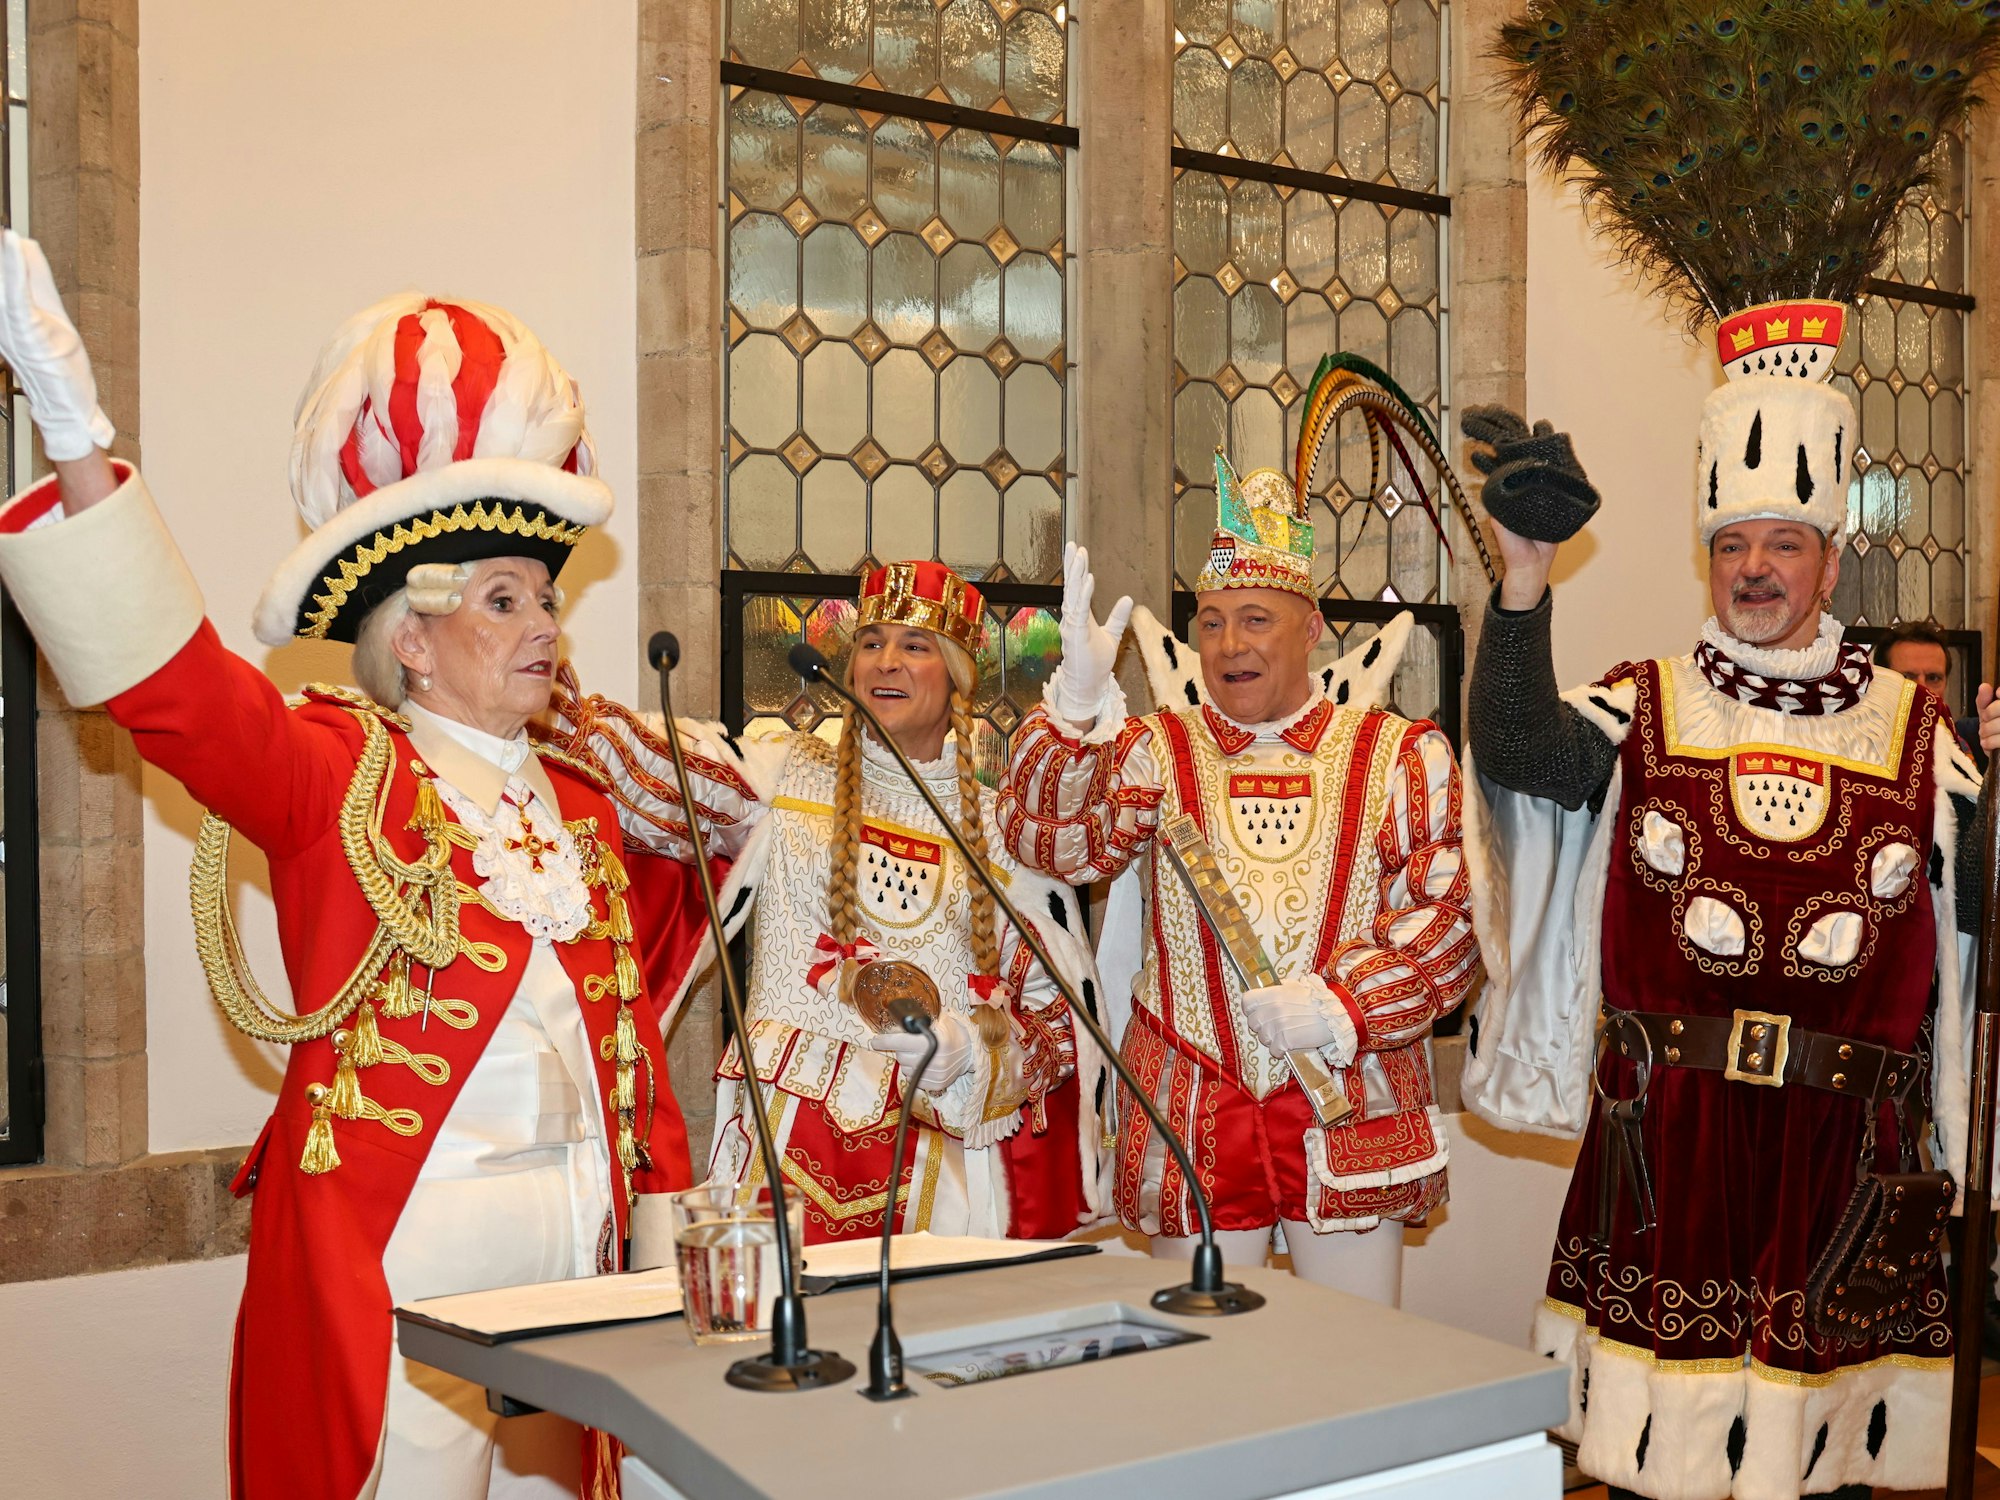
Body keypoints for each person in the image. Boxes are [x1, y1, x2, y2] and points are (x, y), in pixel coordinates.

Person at [0, 233, 718, 1500]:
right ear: (415, 643)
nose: (548, 626)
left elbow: (631, 1065)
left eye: (547, 601)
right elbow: (178, 699)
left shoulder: (587, 816)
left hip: (583, 1264)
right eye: (506, 601)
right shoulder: (340, 772)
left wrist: (668, 1261)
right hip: (407, 1256)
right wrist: (74, 434)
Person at [1461, 309, 2000, 1499]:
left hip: (1847, 1164)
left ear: (1829, 560)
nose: (1753, 567)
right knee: (1667, 1479)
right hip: (1672, 1143)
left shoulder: (1919, 738)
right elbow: (1513, 751)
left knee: (1825, 1478)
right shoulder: (1641, 702)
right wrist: (1523, 577)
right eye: (1731, 544)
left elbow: (1978, 929)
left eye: (1782, 544)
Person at [994, 448, 1478, 1306]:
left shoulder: (1403, 755)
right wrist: (1075, 695)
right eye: (1210, 622)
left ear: (1312, 627)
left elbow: (1453, 915)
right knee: (1202, 1375)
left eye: (1254, 618)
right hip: (1191, 1093)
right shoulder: (1154, 748)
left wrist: (1342, 1004)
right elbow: (1047, 841)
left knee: (1351, 1362)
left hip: (1347, 1091)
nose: (1228, 644)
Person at [549, 559, 1106, 1245]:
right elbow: (647, 770)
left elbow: (1054, 1023)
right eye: (870, 644)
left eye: (914, 646)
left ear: (958, 676)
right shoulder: (785, 776)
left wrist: (973, 1048)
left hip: (936, 1177)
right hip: (775, 1154)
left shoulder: (1001, 835)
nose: (886, 662)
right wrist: (542, 694)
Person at [1875, 621, 1983, 768]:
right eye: (1906, 677)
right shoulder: (1856, 752)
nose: (1923, 691)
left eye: (1933, 678)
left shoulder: (1975, 740)